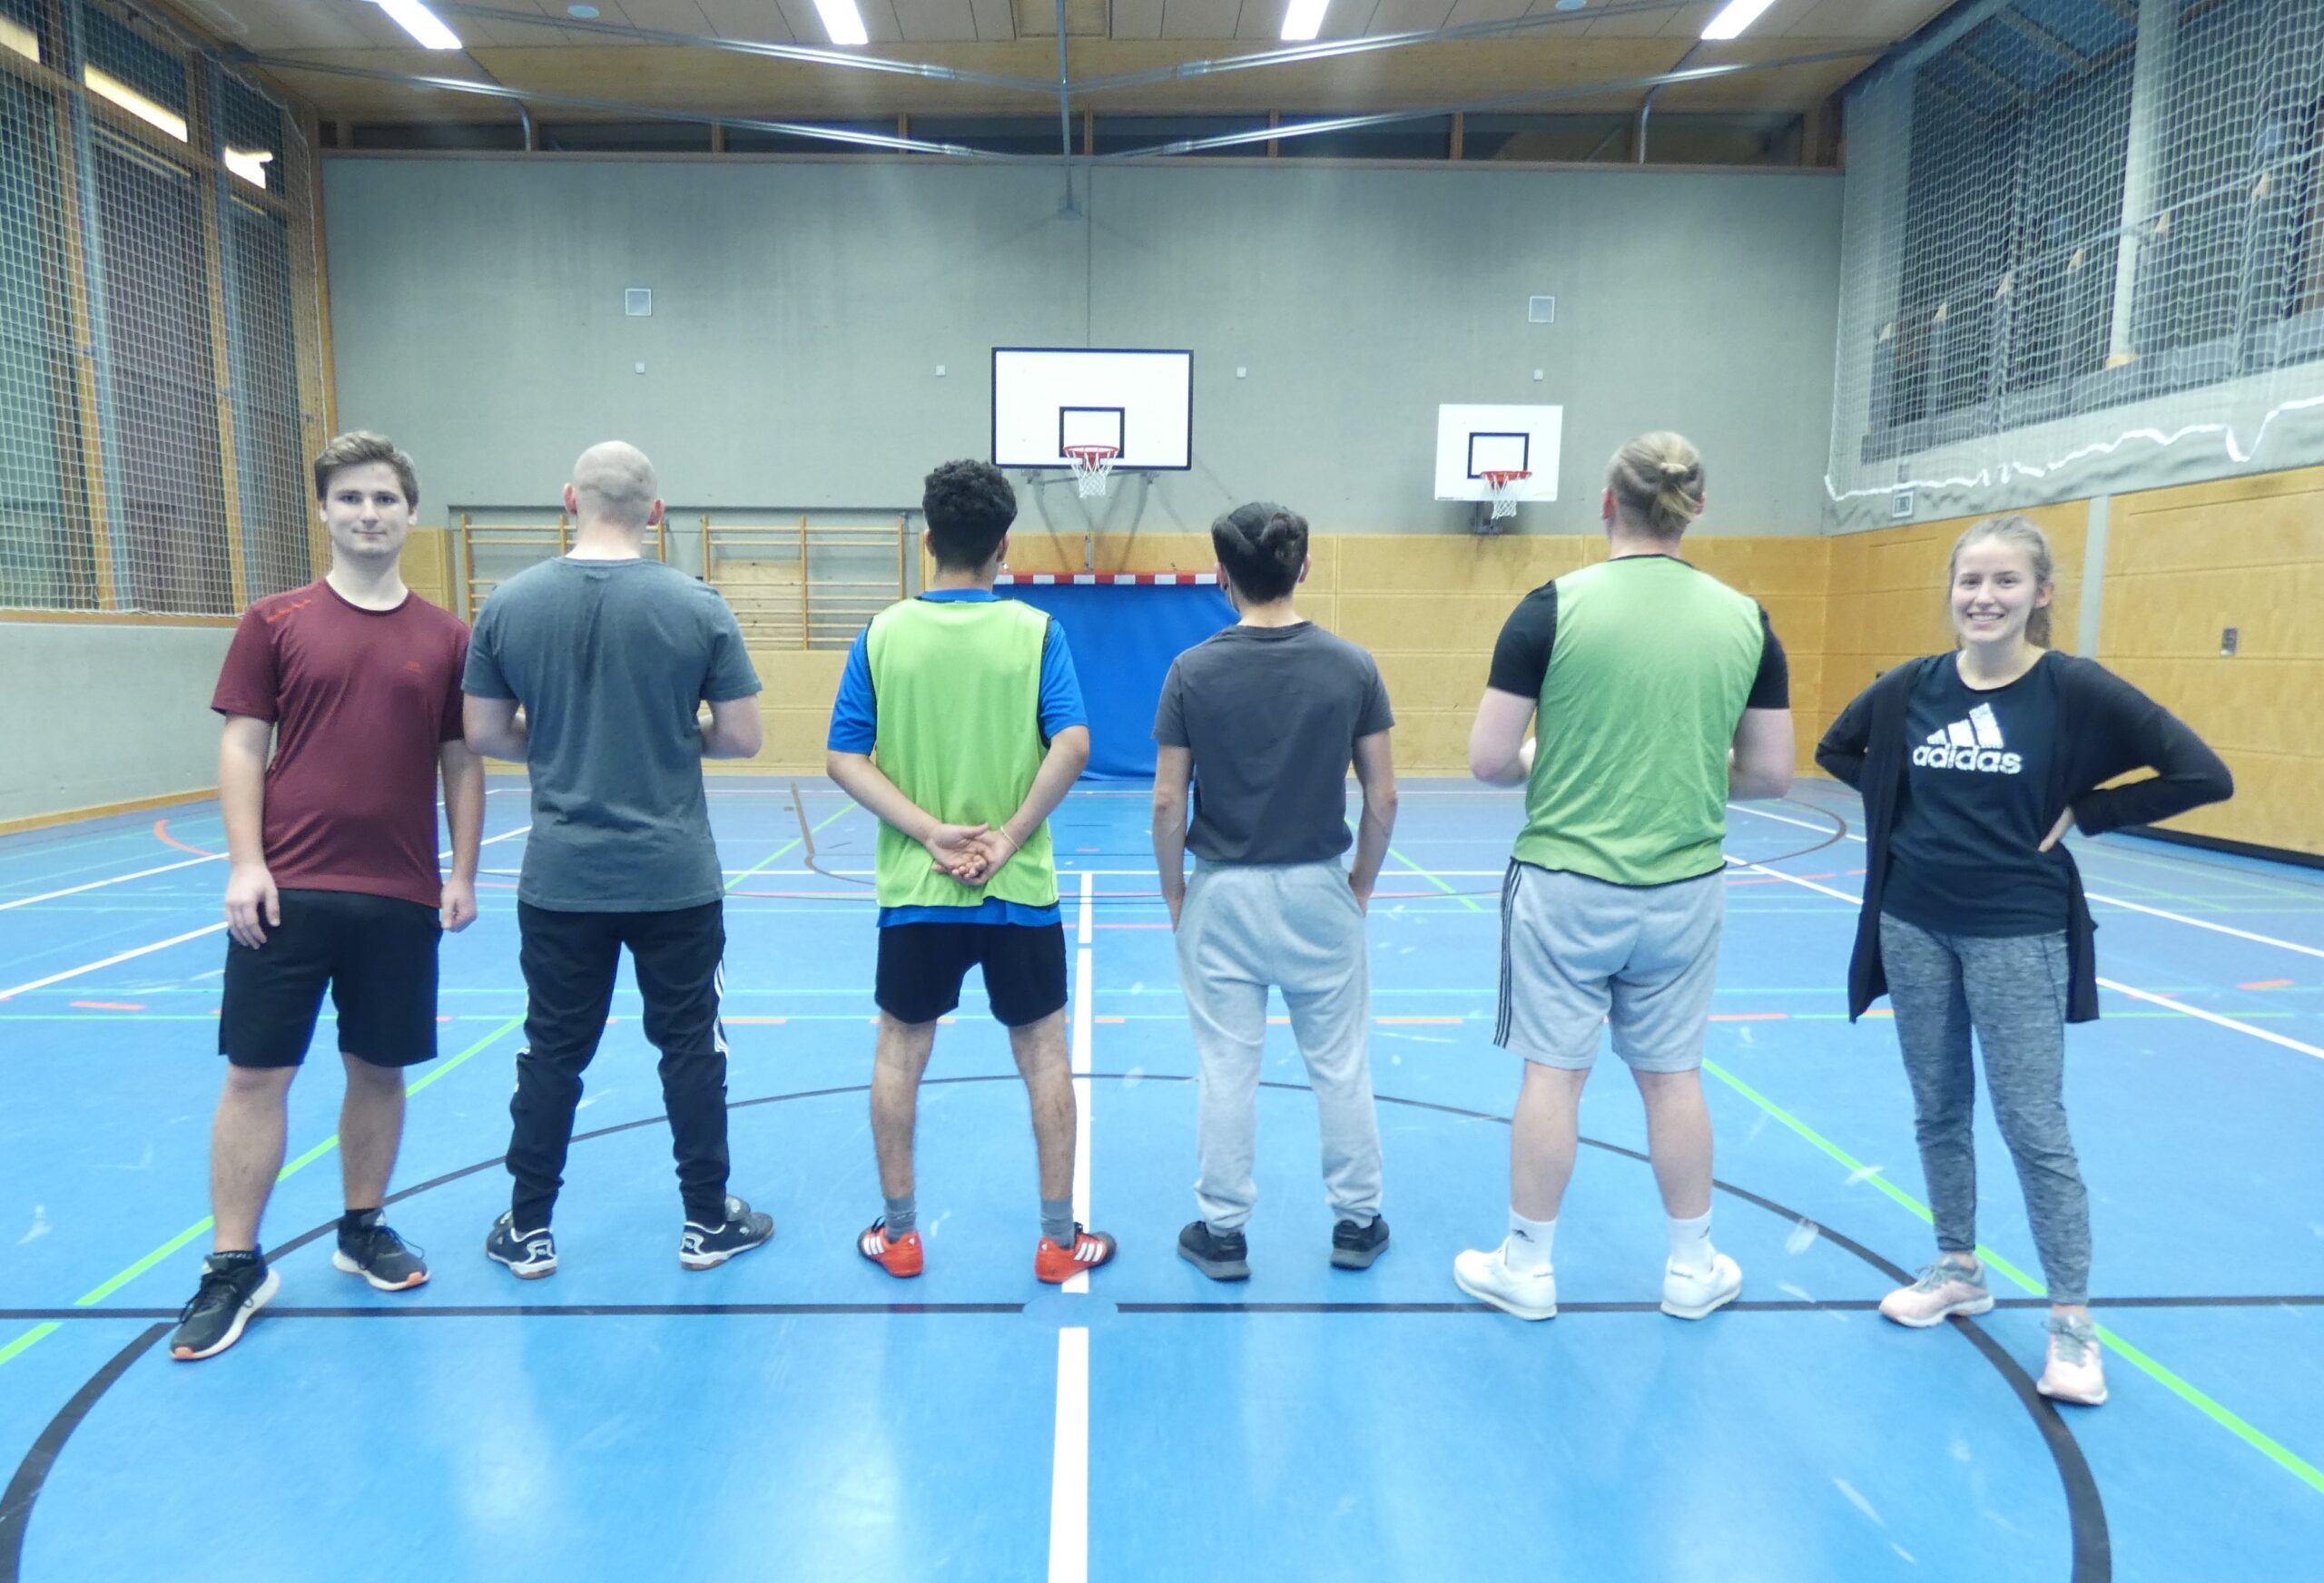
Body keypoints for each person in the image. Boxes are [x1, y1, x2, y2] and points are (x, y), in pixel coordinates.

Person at [1817, 513, 2231, 1405]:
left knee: (2031, 1122)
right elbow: (1836, 748)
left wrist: (2088, 809)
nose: (1984, 597)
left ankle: (2072, 1320)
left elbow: (2200, 772)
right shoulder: (1908, 689)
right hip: (1912, 922)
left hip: (2018, 930)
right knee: (1937, 1107)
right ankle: (1957, 1265)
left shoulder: (2073, 691)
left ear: (2041, 594)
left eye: (2006, 581)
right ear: (1951, 592)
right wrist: (1904, 804)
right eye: (1970, 580)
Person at [1454, 431, 1794, 1322]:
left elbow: (1489, 760)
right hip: (1683, 889)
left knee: (1552, 1074)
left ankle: (1526, 1266)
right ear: (1696, 509)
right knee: (1674, 1074)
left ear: (1606, 504)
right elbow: (1769, 774)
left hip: (1565, 881)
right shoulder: (1746, 618)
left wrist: (1554, 752)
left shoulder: (1550, 607)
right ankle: (1692, 1266)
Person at [171, 432, 482, 1362]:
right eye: (350, 499)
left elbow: (461, 760)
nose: (369, 514)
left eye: (385, 498)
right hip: (288, 888)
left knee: (378, 1070)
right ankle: (233, 1264)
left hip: (398, 895)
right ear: (324, 511)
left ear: (410, 513)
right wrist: (244, 861)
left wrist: (460, 871)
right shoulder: (275, 621)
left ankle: (361, 1228)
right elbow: (242, 745)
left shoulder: (446, 636)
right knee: (256, 1072)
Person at [463, 441, 772, 1278]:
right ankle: (708, 1220)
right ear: (657, 513)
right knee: (691, 1049)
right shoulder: (698, 606)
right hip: (673, 876)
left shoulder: (508, 605)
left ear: (569, 499)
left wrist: (562, 740)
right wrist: (672, 734)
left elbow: (486, 734)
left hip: (563, 877)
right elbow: (742, 737)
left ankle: (529, 1228)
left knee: (552, 1050)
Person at [826, 458, 1115, 1285]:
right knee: (1045, 1057)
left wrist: (928, 834)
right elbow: (1075, 743)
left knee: (898, 1055)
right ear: (1005, 547)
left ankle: (903, 1236)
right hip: (1016, 892)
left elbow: (845, 756)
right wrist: (1012, 838)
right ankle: (1058, 1242)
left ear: (927, 541)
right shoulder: (1037, 631)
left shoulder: (883, 633)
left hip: (920, 892)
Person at [1152, 502, 1397, 1281]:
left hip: (1222, 893)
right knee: (1341, 1065)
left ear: (1222, 575)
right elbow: (1383, 798)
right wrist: (1359, 885)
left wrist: (1174, 896)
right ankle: (1357, 1223)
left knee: (1227, 1069)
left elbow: (1166, 802)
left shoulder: (1192, 670)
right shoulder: (1353, 666)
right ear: (1306, 567)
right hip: (1320, 890)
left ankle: (1223, 1233)